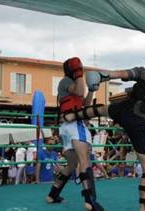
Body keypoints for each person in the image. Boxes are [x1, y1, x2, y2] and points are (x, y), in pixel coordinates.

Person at [61, 56, 145, 211]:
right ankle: (144, 208)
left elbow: (118, 74)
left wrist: (100, 76)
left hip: (124, 109)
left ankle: (72, 115)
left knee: (101, 109)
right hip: (141, 122)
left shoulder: (143, 71)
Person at [47, 57, 104, 211]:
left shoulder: (70, 84)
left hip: (67, 126)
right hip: (74, 124)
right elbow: (79, 90)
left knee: (72, 163)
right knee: (84, 160)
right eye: (78, 69)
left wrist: (91, 90)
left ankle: (53, 194)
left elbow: (84, 104)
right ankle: (89, 201)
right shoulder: (66, 81)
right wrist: (79, 75)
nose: (80, 71)